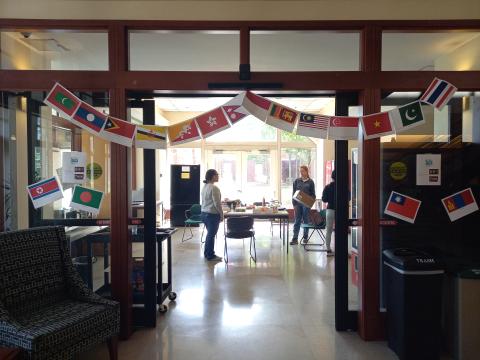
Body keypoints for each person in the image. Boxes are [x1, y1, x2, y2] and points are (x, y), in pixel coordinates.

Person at [201, 169, 224, 261]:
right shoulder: (214, 188)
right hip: (212, 215)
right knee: (211, 235)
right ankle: (210, 255)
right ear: (213, 176)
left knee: (209, 234)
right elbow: (217, 203)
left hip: (204, 213)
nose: (218, 176)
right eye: (217, 175)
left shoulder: (205, 186)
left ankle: (207, 253)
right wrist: (222, 214)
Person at [291, 165, 316, 245]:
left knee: (306, 220)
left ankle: (305, 237)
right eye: (300, 171)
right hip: (297, 204)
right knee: (297, 220)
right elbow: (294, 193)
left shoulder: (311, 182)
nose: (301, 172)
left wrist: (310, 203)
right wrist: (294, 203)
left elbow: (313, 194)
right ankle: (295, 238)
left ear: (306, 171)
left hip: (306, 205)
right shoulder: (297, 181)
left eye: (302, 171)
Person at [321, 170, 336, 256]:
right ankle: (342, 250)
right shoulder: (344, 186)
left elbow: (324, 199)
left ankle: (328, 249)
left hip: (330, 210)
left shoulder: (327, 187)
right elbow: (348, 198)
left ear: (332, 176)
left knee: (329, 230)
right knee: (341, 230)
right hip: (341, 210)